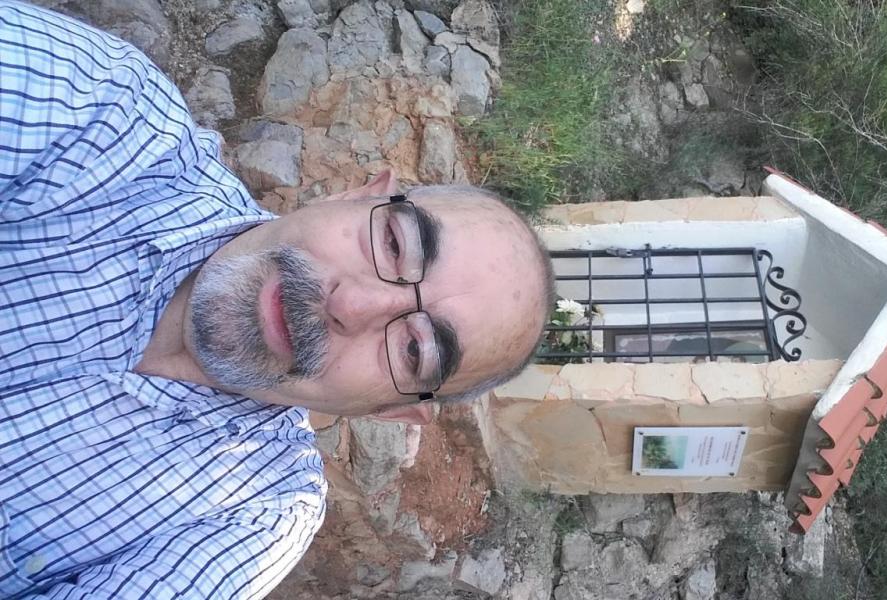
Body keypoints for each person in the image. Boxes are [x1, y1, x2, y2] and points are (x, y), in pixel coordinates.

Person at [0, 1, 553, 598]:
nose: (354, 306)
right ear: (353, 195)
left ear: (389, 411)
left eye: (413, 350)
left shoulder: (255, 516)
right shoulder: (107, 113)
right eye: (395, 244)